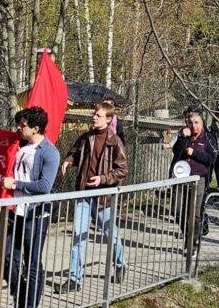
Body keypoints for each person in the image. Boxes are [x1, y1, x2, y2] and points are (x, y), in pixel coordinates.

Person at [55, 102, 127, 294]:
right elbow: (74, 153)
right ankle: (74, 278)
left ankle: (120, 263)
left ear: (109, 119)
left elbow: (122, 170)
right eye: (94, 114)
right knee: (79, 235)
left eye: (98, 115)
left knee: (110, 234)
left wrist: (103, 179)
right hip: (84, 193)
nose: (94, 117)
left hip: (103, 196)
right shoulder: (86, 137)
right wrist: (68, 161)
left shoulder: (115, 141)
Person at [0, 107, 60, 308]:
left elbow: (44, 186)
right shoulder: (19, 146)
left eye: (23, 125)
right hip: (14, 212)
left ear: (35, 128)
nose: (19, 127)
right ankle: (21, 296)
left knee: (32, 263)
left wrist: (16, 184)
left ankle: (30, 304)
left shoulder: (49, 152)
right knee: (6, 256)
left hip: (35, 214)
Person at [169, 109, 217, 256]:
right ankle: (188, 233)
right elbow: (176, 152)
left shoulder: (208, 138)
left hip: (198, 179)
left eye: (196, 123)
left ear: (202, 123)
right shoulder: (184, 136)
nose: (193, 126)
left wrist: (194, 153)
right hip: (181, 178)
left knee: (194, 214)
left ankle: (192, 244)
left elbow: (212, 159)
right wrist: (183, 139)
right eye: (190, 123)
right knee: (176, 210)